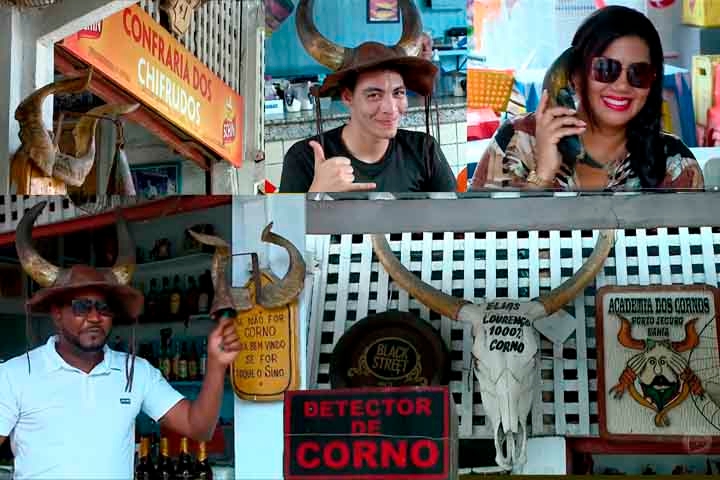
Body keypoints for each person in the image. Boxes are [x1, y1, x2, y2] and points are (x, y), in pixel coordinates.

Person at [0, 202, 241, 479]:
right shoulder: (14, 375)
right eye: (81, 307)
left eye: (103, 308)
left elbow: (198, 427)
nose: (94, 317)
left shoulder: (136, 372)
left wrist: (216, 364)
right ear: (57, 314)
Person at [469, 5, 704, 192]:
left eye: (638, 73)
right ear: (575, 75)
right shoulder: (517, 140)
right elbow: (474, 242)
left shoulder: (674, 164)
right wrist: (541, 176)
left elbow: (692, 250)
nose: (622, 85)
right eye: (605, 69)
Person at [279, 0, 456, 193]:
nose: (390, 108)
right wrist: (316, 195)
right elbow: (285, 224)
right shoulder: (303, 159)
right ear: (348, 97)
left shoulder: (424, 151)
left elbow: (457, 218)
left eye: (398, 93)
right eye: (374, 95)